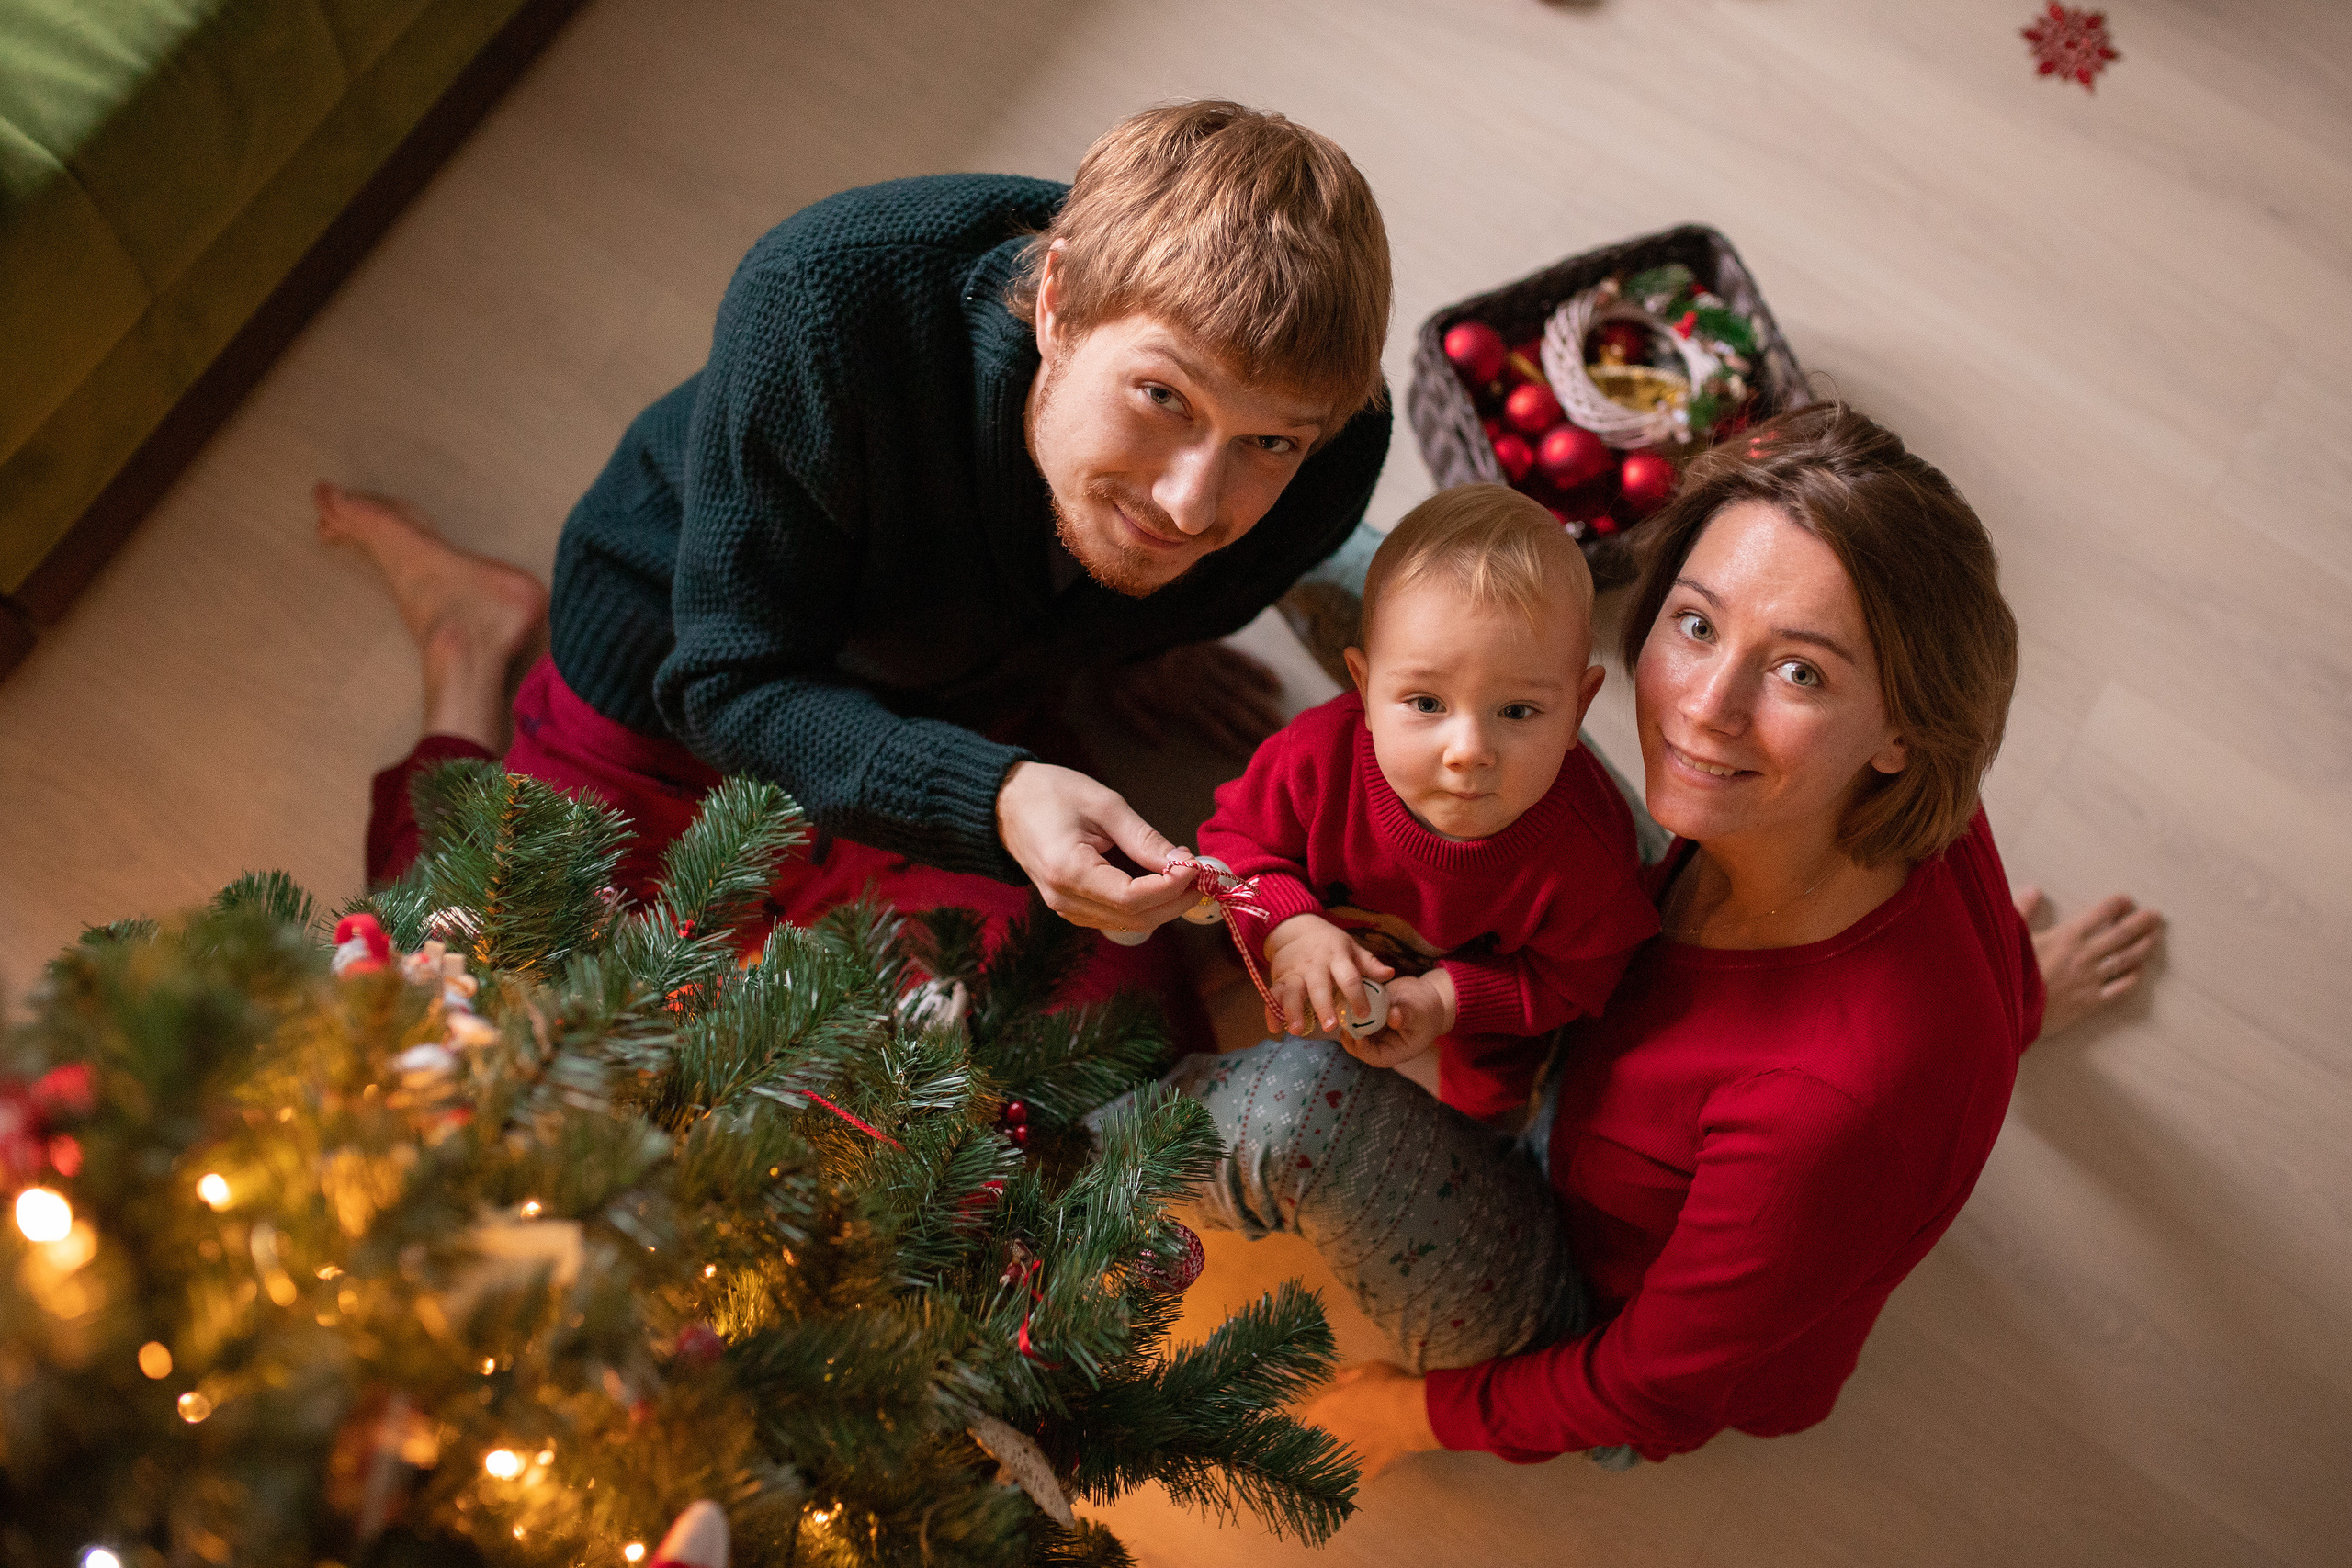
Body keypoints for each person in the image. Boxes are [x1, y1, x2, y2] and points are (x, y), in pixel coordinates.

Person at [1164, 403, 2165, 1472]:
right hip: (1603, 1037)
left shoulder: (1824, 1112)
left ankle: (1054, 1150)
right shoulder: (1904, 804)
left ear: (1902, 730)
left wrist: (1409, 1416)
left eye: (1801, 673)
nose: (1703, 709)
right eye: (1694, 623)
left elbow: (1650, 1387)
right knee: (1455, 604)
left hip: (1573, 1297)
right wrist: (2004, 1000)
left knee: (1292, 1106)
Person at [321, 101, 1393, 1009]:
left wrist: (1137, 637)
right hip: (684, 657)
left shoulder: (1328, 460)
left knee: (1096, 1022)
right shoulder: (827, 300)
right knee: (452, 997)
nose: (1189, 505)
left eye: (1266, 443)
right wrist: (996, 798)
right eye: (1161, 397)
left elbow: (1186, 538)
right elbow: (730, 682)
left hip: (959, 698)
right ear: (1057, 303)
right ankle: (467, 647)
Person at [1184, 484, 1657, 1122]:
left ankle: (1484, 1135)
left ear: (1578, 708)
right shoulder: (1318, 757)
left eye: (1517, 710)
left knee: (1494, 1095)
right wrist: (1292, 927)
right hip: (1324, 926)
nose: (1468, 751)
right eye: (1427, 703)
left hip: (1475, 995)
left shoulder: (1588, 852)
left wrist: (1445, 1000)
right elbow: (1234, 844)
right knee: (1248, 950)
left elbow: (1575, 976)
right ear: (1365, 684)